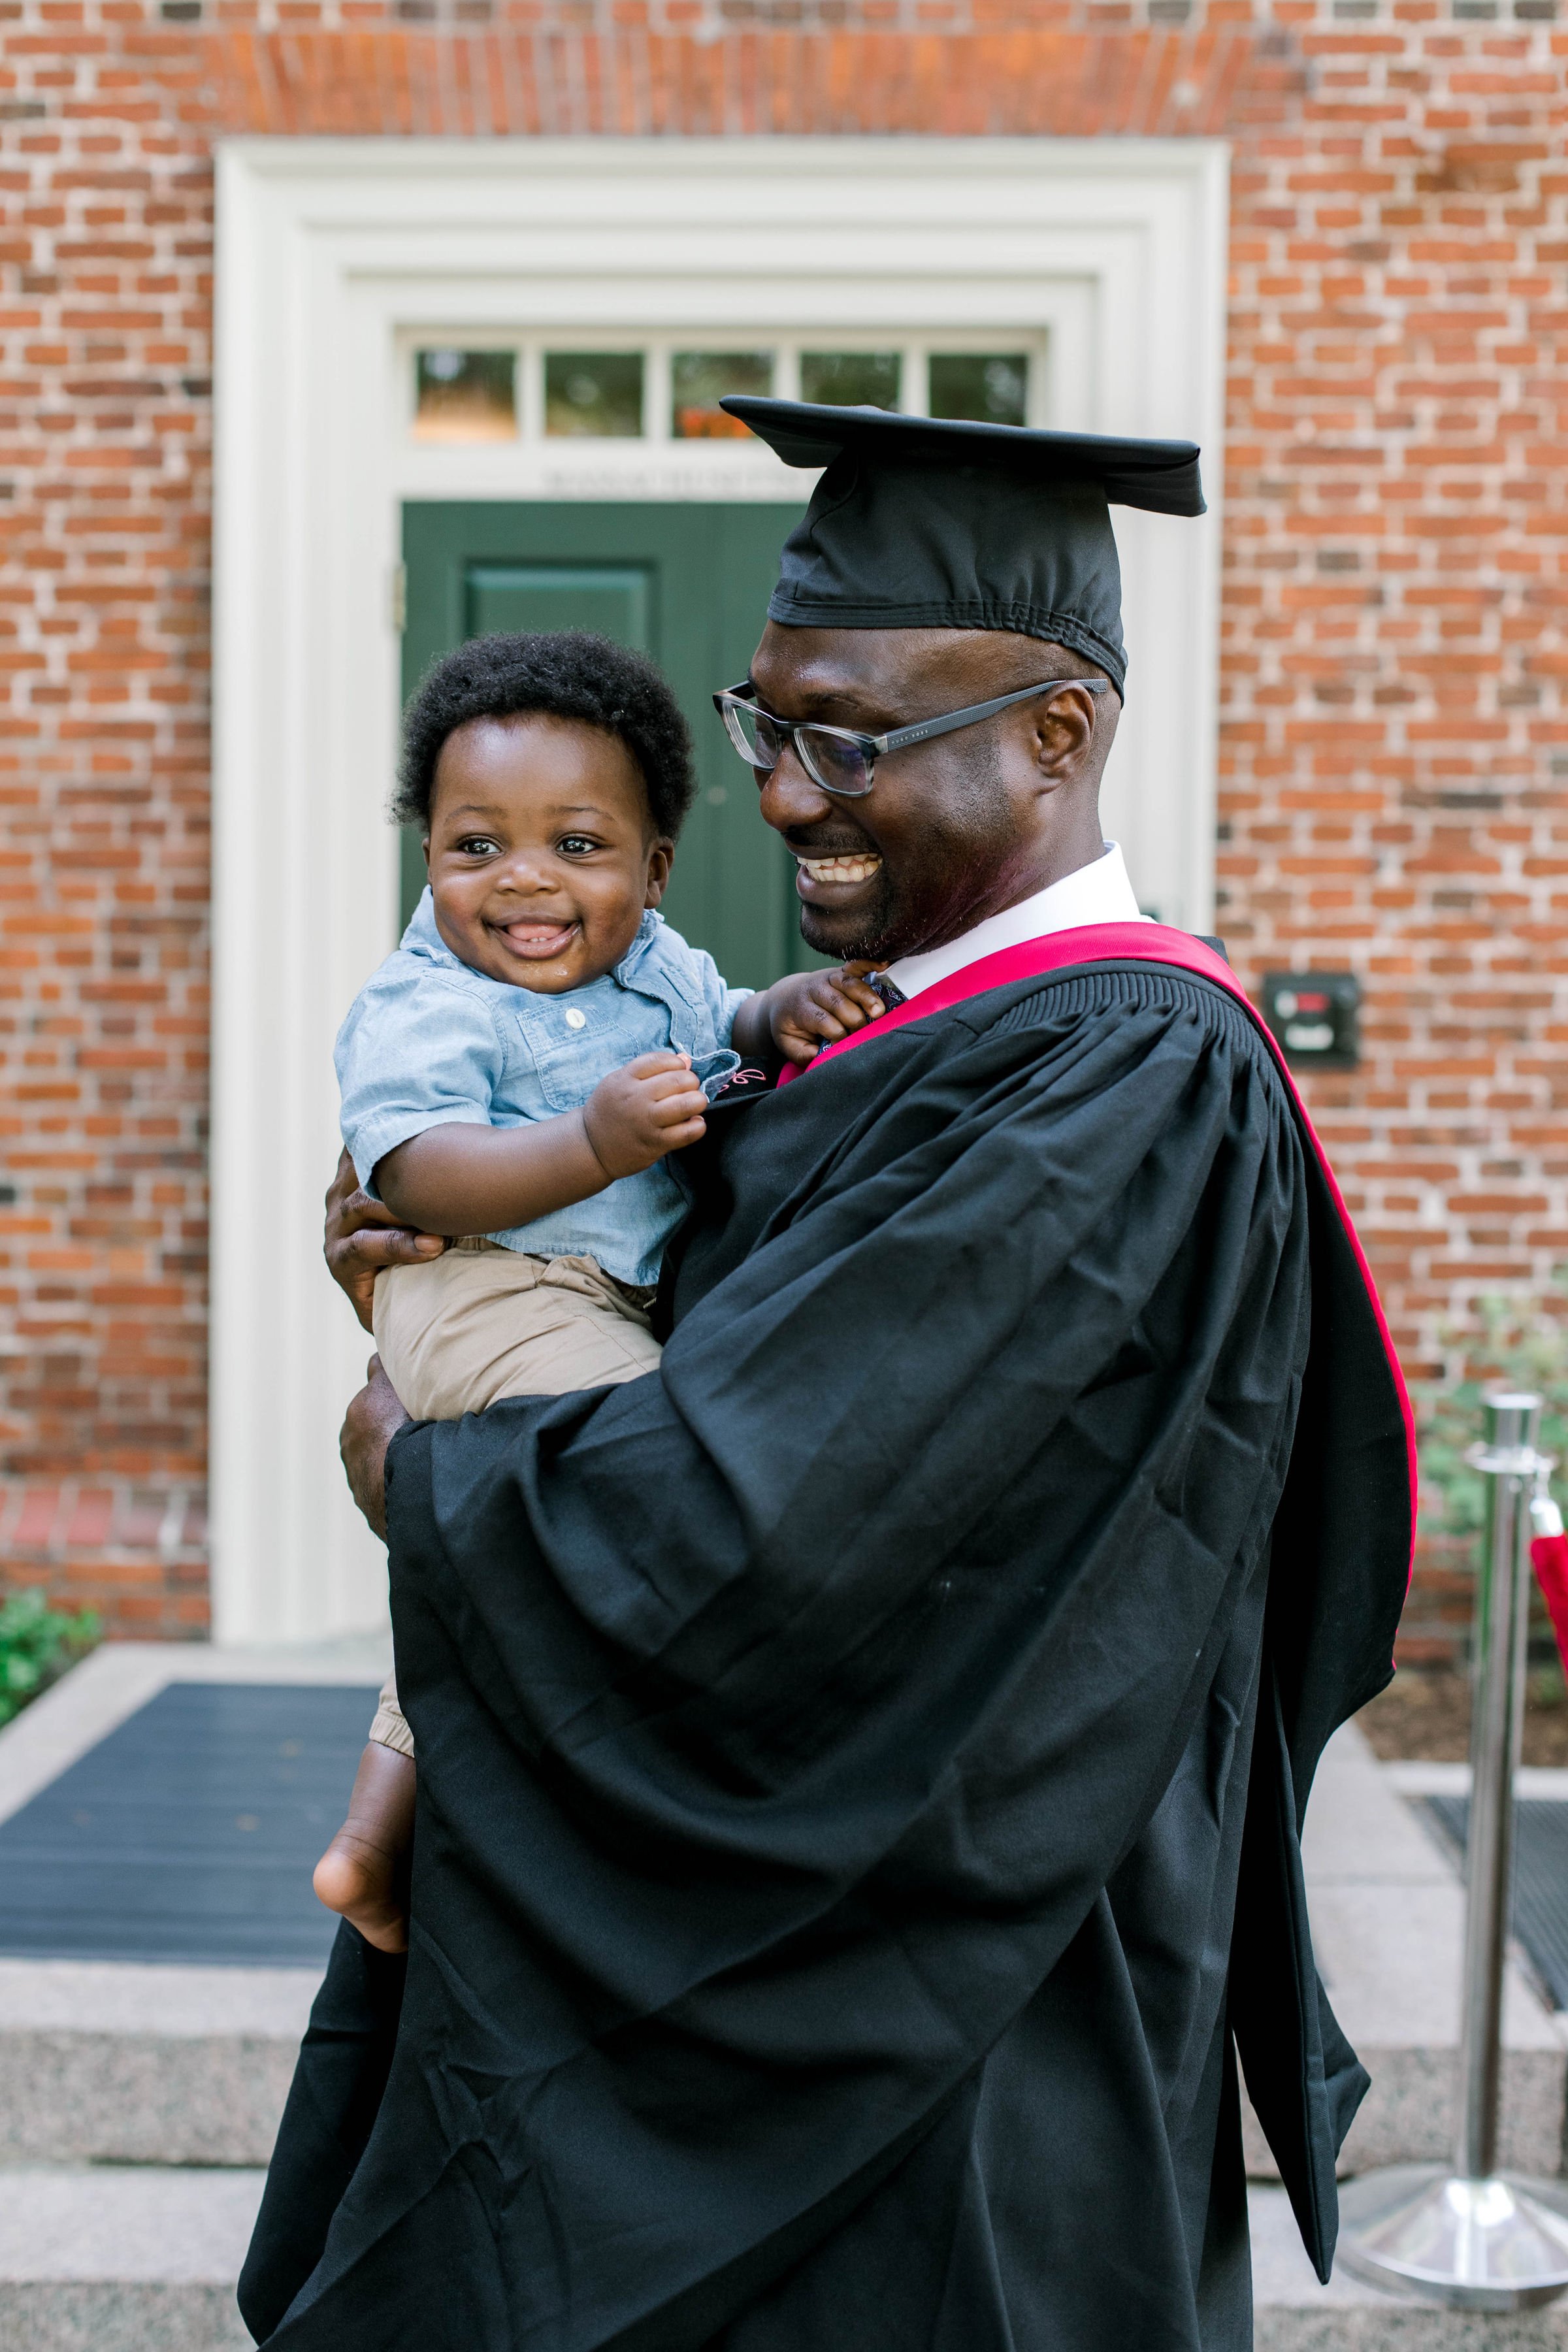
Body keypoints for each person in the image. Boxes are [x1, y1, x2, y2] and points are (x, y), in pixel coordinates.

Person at [240, 402, 1413, 2352]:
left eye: (850, 736)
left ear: (1058, 730)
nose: (785, 794)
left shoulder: (1120, 1073)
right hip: (817, 1978)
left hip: (937, 2038)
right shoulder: (888, 1034)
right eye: (770, 724)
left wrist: (409, 1456)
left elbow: (756, 1522)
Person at [313, 630, 887, 1953]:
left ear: (653, 869)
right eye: (476, 846)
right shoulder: (425, 1002)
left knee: (480, 1560)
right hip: (481, 1291)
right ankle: (647, 1794)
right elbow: (416, 1174)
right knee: (655, 1461)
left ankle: (373, 1836)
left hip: (577, 1300)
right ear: (430, 858)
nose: (523, 877)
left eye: (577, 845)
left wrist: (778, 1013)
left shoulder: (662, 969)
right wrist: (588, 1146)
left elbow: (723, 1027)